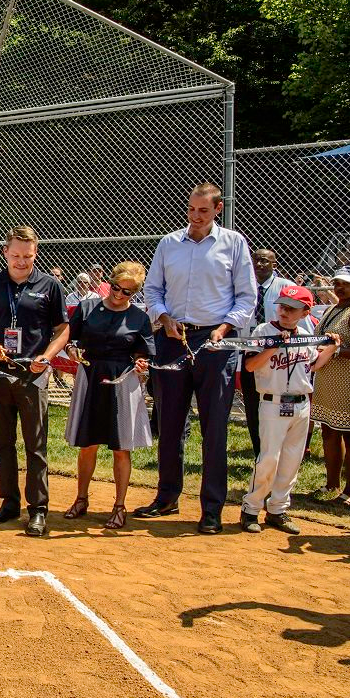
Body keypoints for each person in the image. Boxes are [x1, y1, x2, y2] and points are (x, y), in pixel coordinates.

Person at [138, 183, 256, 534]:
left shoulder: (234, 243)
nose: (195, 216)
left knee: (214, 428)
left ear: (218, 209)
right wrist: (163, 318)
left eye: (203, 210)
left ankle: (212, 509)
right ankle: (167, 497)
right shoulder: (169, 243)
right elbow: (152, 290)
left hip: (215, 342)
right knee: (170, 423)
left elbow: (246, 297)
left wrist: (224, 328)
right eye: (191, 209)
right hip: (173, 339)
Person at [0, 226, 69, 536]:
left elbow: (62, 329)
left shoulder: (50, 285)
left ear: (35, 253)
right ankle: (9, 503)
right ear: (5, 252)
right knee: (2, 443)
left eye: (27, 256)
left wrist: (47, 356)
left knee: (35, 444)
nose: (21, 261)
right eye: (15, 255)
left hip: (32, 374)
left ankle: (38, 508)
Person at [240, 285, 339, 534]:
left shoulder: (305, 334)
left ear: (305, 313)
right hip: (272, 402)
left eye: (292, 309)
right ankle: (251, 508)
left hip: (301, 403)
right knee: (269, 459)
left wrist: (331, 347)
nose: (284, 312)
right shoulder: (264, 330)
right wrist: (273, 347)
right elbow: (250, 366)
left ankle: (278, 509)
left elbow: (313, 366)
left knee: (292, 460)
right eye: (282, 306)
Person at [63, 262, 154, 529]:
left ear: (135, 293)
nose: (118, 294)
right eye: (116, 287)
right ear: (109, 282)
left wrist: (141, 363)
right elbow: (68, 338)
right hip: (91, 376)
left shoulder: (139, 317)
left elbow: (143, 352)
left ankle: (119, 506)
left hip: (122, 380)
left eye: (127, 292)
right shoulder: (87, 307)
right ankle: (81, 499)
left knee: (121, 447)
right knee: (87, 444)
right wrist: (71, 350)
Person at [309, 266, 350, 506]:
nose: (339, 287)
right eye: (337, 282)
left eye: (346, 283)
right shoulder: (333, 308)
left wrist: (336, 351)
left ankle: (349, 491)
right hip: (328, 379)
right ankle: (331, 483)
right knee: (329, 431)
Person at [242, 248, 298, 461]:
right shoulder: (242, 286)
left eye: (264, 260)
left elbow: (299, 322)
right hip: (252, 352)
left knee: (281, 405)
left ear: (275, 264)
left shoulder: (287, 287)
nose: (259, 264)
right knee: (252, 404)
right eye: (255, 260)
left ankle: (284, 452)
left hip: (281, 357)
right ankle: (260, 452)